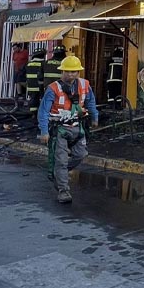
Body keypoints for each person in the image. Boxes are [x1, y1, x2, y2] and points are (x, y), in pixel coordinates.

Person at [37, 55, 99, 203]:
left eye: (74, 72)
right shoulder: (53, 89)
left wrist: (95, 118)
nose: (70, 75)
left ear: (78, 72)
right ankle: (63, 191)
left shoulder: (85, 85)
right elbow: (43, 111)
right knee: (61, 161)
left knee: (81, 155)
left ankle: (59, 172)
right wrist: (44, 132)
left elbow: (91, 102)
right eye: (67, 71)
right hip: (59, 129)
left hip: (78, 128)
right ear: (62, 71)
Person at [25, 47, 48, 117]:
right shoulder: (44, 64)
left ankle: (33, 114)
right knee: (42, 100)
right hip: (40, 86)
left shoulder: (28, 64)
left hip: (31, 87)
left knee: (33, 100)